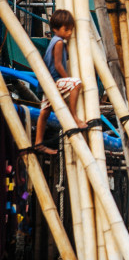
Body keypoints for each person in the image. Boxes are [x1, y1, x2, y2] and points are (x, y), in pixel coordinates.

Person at [34, 9, 87, 154]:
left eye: (71, 30)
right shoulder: (58, 42)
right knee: (76, 83)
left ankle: (38, 143)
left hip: (46, 83)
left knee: (44, 113)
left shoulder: (55, 41)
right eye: (66, 29)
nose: (69, 33)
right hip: (53, 81)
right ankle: (74, 117)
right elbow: (57, 64)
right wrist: (67, 78)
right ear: (55, 29)